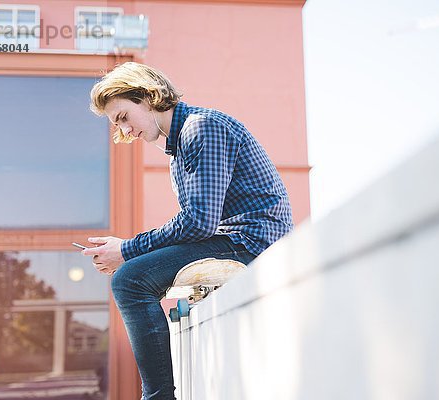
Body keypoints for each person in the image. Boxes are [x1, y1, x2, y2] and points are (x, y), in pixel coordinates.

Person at [83, 62, 293, 400]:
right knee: (134, 276)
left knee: (130, 280)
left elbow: (198, 221)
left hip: (252, 243)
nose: (123, 131)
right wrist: (130, 251)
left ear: (146, 96)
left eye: (123, 117)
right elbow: (197, 224)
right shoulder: (179, 147)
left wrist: (126, 250)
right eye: (115, 125)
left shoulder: (201, 128)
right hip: (233, 240)